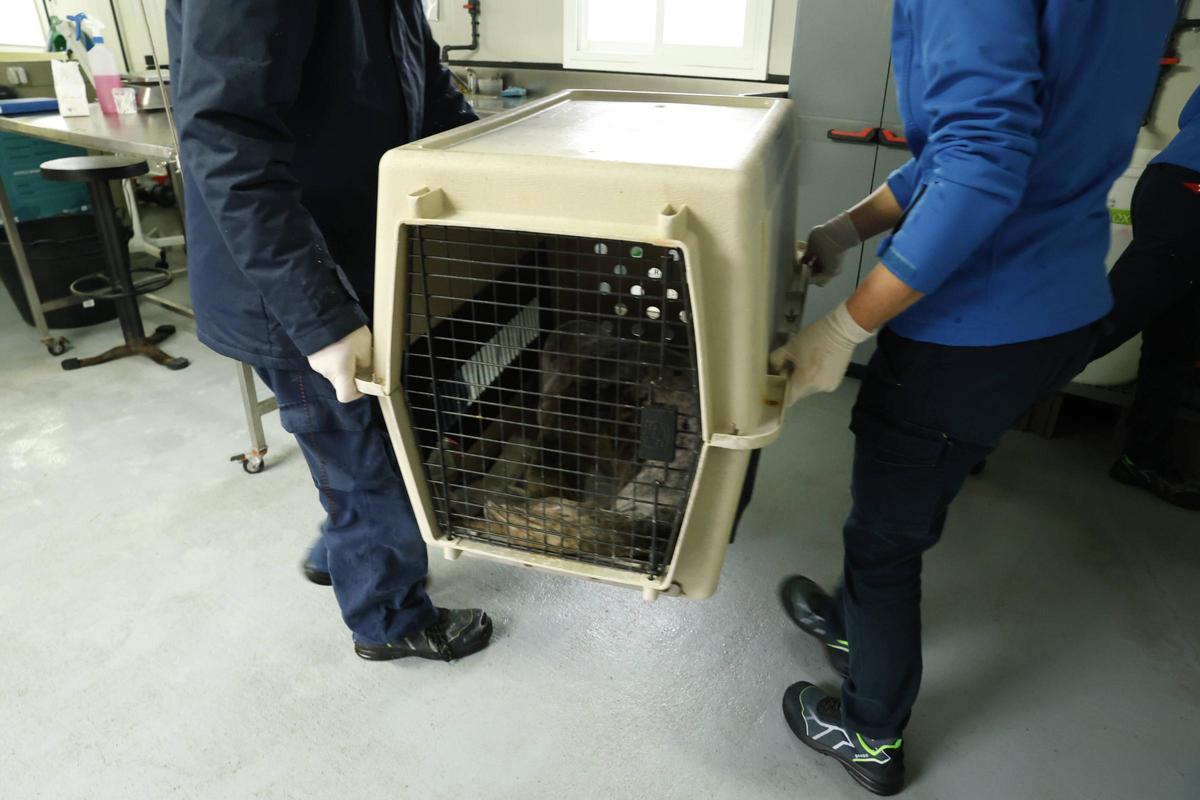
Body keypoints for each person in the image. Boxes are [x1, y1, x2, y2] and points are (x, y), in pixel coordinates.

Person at [769, 3, 1177, 795]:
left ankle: (870, 733)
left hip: (978, 321)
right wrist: (846, 231)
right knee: (919, 489)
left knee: (886, 536)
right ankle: (856, 628)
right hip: (1062, 306)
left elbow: (980, 166)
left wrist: (841, 331)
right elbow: (979, 143)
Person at [165, 0, 493, 662]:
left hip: (359, 256)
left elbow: (424, 82)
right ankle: (389, 620)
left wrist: (500, 168)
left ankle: (343, 550)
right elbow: (225, 137)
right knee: (360, 455)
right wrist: (323, 320)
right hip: (289, 283)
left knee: (387, 436)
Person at [1089, 84, 1200, 510]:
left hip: (1173, 178)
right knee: (1106, 321)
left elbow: (1189, 114)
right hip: (1192, 190)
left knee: (1175, 339)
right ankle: (954, 425)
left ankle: (1143, 458)